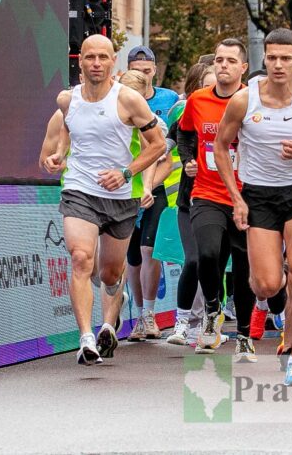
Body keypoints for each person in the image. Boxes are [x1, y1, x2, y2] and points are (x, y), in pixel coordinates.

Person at [212, 28, 292, 386]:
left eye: (286, 58)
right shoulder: (244, 100)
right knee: (266, 284)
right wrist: (236, 198)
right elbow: (221, 147)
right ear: (264, 59)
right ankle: (272, 291)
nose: (278, 64)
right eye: (272, 57)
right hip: (259, 196)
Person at [43, 35, 166, 366]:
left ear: (114, 62)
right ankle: (85, 337)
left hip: (119, 196)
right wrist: (58, 156)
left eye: (103, 57)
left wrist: (127, 174)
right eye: (89, 57)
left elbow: (158, 146)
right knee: (81, 258)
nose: (96, 63)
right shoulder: (67, 100)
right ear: (79, 61)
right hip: (80, 190)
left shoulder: (128, 100)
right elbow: (66, 132)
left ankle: (116, 302)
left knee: (110, 274)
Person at [177, 39, 255, 356]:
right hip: (207, 193)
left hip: (247, 197)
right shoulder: (197, 100)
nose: (223, 65)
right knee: (206, 255)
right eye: (219, 60)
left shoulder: (255, 102)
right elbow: (184, 132)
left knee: (244, 267)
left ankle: (246, 334)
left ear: (243, 68)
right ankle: (212, 311)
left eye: (230, 61)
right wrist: (187, 159)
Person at [116, 69, 170, 341]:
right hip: (123, 193)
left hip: (151, 192)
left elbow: (163, 160)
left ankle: (150, 315)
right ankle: (138, 315)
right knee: (132, 258)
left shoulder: (154, 123)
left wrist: (148, 187)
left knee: (149, 249)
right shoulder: (115, 122)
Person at [166, 63, 216, 347]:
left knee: (216, 263)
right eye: (206, 86)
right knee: (194, 258)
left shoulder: (237, 114)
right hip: (191, 199)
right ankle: (182, 322)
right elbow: (164, 148)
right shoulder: (187, 116)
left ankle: (211, 318)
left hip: (227, 200)